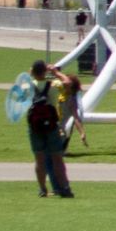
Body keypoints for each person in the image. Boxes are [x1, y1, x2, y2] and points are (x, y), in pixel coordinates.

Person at [26, 60, 75, 198]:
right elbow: (68, 83)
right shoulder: (53, 85)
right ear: (45, 71)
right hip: (52, 126)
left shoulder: (28, 86)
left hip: (34, 127)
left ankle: (42, 189)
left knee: (39, 159)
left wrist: (31, 74)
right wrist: (55, 72)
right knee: (57, 159)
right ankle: (64, 187)